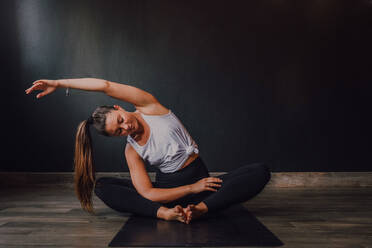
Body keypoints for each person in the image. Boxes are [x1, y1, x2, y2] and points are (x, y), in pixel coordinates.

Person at [25, 78, 271, 224]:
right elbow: (149, 193)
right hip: (170, 193)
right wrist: (189, 189)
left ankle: (200, 211)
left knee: (259, 172)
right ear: (115, 138)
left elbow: (104, 85)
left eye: (120, 119)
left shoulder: (149, 106)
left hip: (204, 186)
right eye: (118, 131)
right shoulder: (131, 151)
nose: (126, 127)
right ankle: (167, 215)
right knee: (102, 186)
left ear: (119, 107)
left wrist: (58, 83)